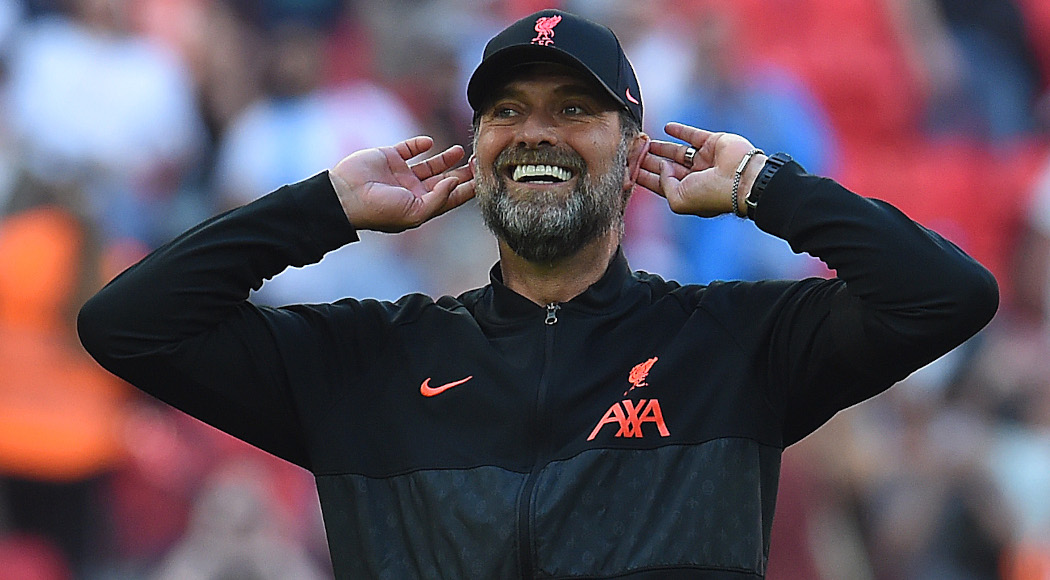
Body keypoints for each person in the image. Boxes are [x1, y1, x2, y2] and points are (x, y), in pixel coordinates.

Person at [78, 9, 999, 579]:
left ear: (634, 152)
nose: (535, 133)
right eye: (506, 111)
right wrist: (321, 208)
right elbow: (129, 325)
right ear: (475, 149)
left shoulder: (734, 344)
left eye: (574, 110)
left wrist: (767, 185)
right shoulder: (366, 361)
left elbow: (946, 295)